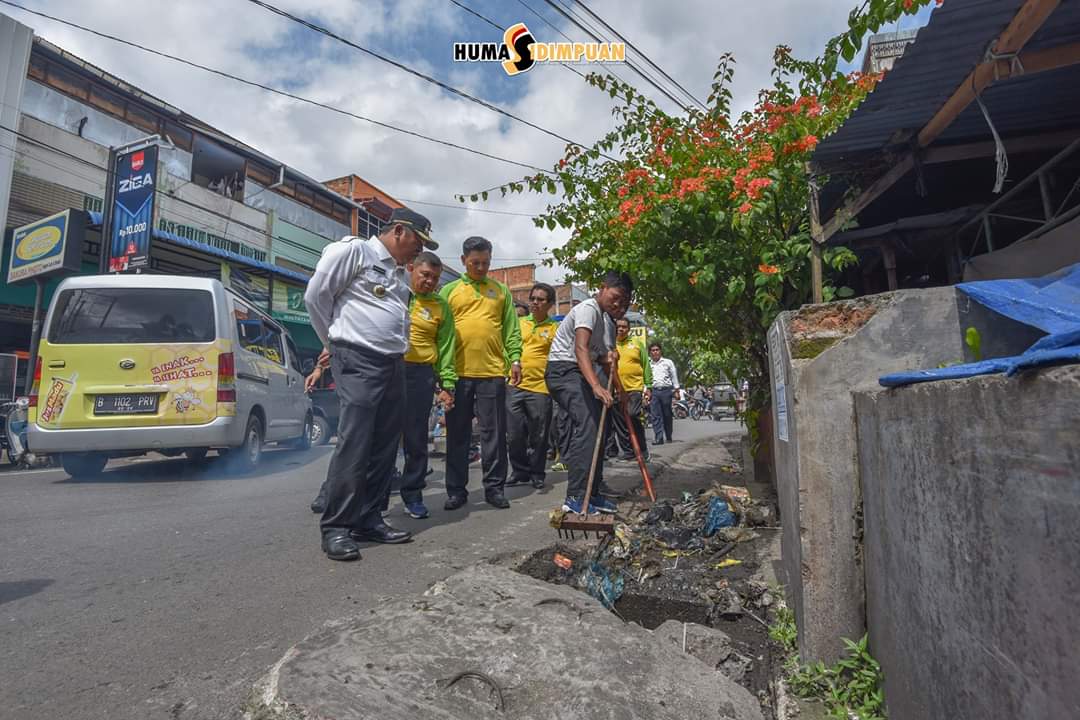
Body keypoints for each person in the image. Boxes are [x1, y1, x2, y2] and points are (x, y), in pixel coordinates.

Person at [304, 207, 436, 562]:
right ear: (398, 231)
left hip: (394, 362)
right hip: (358, 357)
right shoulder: (354, 252)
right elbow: (316, 297)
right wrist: (333, 343)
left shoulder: (397, 272)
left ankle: (369, 517)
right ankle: (336, 527)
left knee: (384, 444)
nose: (418, 250)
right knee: (356, 441)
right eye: (417, 241)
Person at [439, 236, 523, 511]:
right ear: (463, 261)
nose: (481, 267)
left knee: (494, 434)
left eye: (485, 263)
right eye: (475, 263)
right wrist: (442, 374)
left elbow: (511, 329)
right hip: (458, 374)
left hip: (492, 373)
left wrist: (515, 359)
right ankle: (456, 491)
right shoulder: (449, 291)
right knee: (458, 434)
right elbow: (439, 332)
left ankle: (494, 488)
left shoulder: (500, 291)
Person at [545, 271, 633, 515]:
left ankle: (592, 495)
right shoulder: (588, 309)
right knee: (588, 425)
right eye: (616, 297)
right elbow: (581, 349)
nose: (618, 304)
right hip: (563, 371)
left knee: (600, 430)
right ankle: (575, 496)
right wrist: (597, 386)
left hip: (580, 373)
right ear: (603, 288)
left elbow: (604, 361)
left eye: (624, 302)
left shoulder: (608, 322)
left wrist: (621, 392)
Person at [397, 251, 457, 519]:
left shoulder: (440, 305)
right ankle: (366, 499)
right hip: (389, 370)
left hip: (421, 375)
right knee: (379, 437)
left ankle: (413, 495)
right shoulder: (396, 294)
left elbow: (446, 347)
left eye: (435, 278)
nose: (430, 282)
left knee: (416, 439)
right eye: (425, 275)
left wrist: (446, 384)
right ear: (411, 269)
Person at [506, 282, 558, 490]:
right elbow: (508, 347)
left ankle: (537, 472)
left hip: (541, 388)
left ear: (550, 304)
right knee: (514, 433)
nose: (535, 303)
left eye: (540, 299)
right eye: (533, 299)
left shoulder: (554, 328)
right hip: (514, 386)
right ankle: (519, 471)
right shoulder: (518, 323)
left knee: (539, 434)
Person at [612, 318, 652, 461]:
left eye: (624, 327)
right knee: (620, 423)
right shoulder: (610, 344)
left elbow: (646, 364)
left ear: (628, 329)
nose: (621, 329)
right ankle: (628, 452)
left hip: (634, 388)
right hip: (616, 389)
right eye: (618, 326)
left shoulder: (636, 343)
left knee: (633, 415)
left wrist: (648, 386)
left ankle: (643, 450)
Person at [648, 341, 681, 445]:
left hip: (666, 391)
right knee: (655, 415)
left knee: (667, 414)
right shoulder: (648, 363)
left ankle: (668, 435)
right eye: (653, 350)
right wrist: (645, 392)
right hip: (654, 392)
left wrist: (676, 390)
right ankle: (659, 438)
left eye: (657, 350)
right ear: (650, 352)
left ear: (661, 351)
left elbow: (674, 376)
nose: (655, 352)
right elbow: (645, 378)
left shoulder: (668, 362)